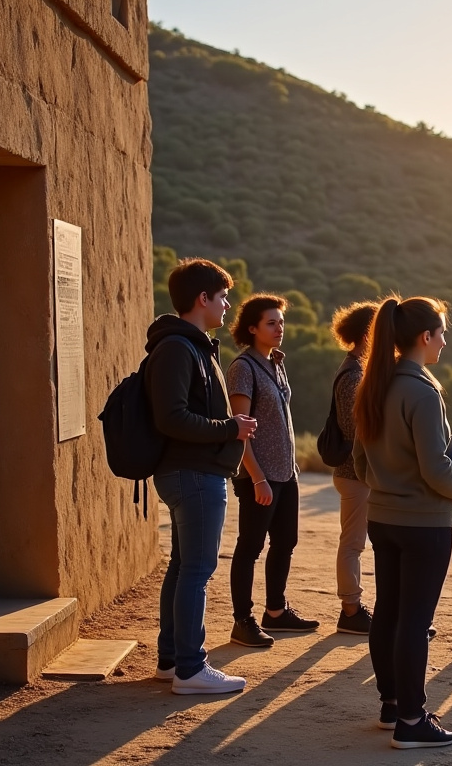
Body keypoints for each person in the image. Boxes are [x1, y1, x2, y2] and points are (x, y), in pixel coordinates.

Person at [353, 295, 452, 749]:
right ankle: (411, 719)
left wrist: (387, 486)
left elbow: (359, 462)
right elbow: (435, 471)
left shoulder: (375, 385)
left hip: (382, 518)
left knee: (388, 613)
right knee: (414, 622)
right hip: (424, 525)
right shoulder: (422, 392)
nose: (445, 341)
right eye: (442, 333)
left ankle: (391, 707)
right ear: (425, 337)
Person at [146, 258, 257, 694]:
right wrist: (232, 427)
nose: (228, 304)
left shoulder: (189, 344)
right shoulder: (179, 347)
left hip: (191, 473)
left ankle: (172, 661)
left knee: (183, 567)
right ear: (202, 299)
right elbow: (171, 417)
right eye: (223, 296)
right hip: (194, 474)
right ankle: (191, 668)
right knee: (197, 570)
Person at [224, 294, 319, 649]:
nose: (279, 328)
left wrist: (285, 471)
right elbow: (240, 428)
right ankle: (242, 620)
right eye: (271, 323)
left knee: (285, 542)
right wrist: (257, 476)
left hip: (285, 471)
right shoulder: (243, 368)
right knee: (250, 546)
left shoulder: (276, 362)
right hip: (259, 475)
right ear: (252, 328)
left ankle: (275, 612)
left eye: (281, 321)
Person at [329, 300, 381, 635]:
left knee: (358, 542)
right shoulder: (353, 376)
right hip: (355, 474)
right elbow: (356, 432)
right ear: (367, 334)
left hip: (361, 475)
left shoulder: (360, 370)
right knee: (353, 543)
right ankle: (350, 609)